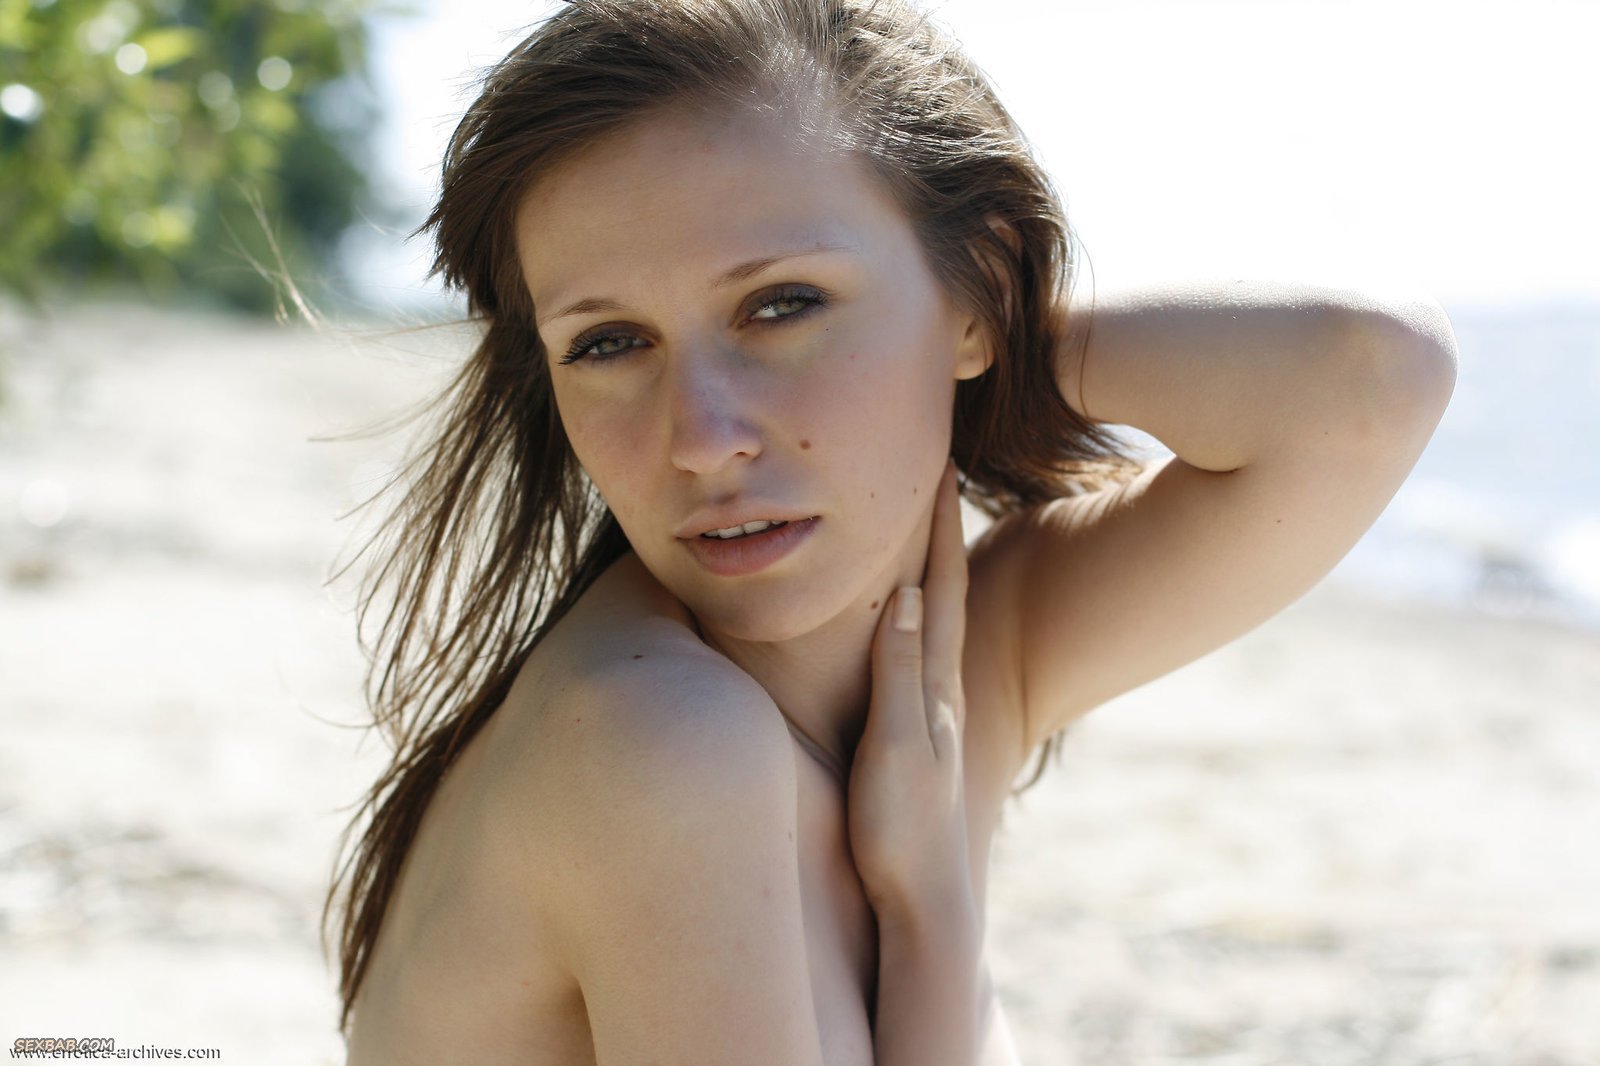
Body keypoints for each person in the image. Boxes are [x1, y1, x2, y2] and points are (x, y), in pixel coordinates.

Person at [324, 1, 1457, 1062]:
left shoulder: (956, 666)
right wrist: (930, 925)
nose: (701, 440)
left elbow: (1370, 379)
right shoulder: (660, 741)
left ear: (981, 286)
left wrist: (976, 328)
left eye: (781, 305)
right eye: (609, 342)